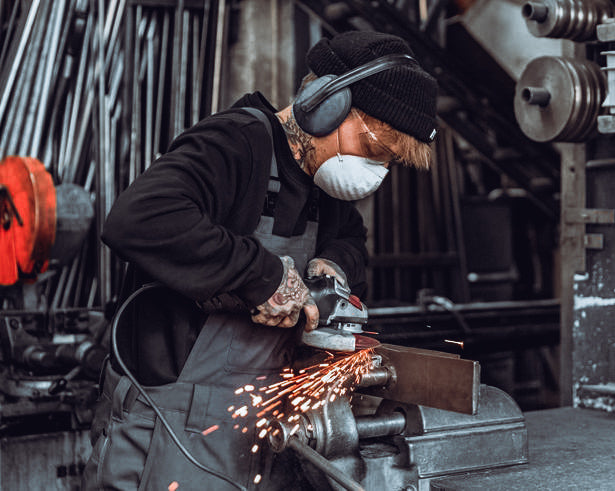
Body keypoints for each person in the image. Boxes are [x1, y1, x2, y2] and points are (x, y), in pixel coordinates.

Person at [83, 30, 438, 490]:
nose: (375, 171)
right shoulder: (237, 142)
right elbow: (139, 217)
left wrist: (334, 263)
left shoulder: (322, 184)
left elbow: (351, 236)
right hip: (170, 426)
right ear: (324, 102)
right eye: (373, 150)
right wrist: (263, 276)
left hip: (261, 424)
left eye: (387, 163)